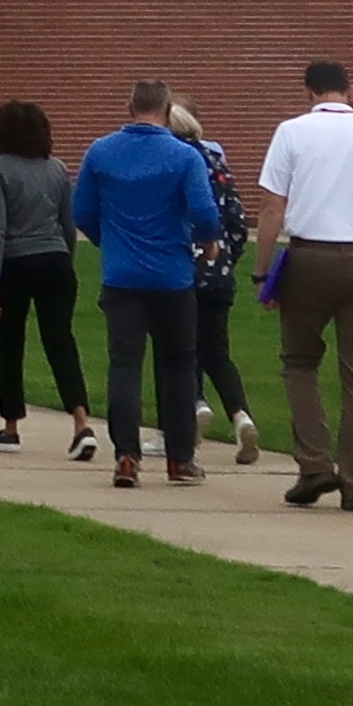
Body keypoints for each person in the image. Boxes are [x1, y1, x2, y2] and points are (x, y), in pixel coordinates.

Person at [254, 56, 353, 510]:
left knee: (300, 362)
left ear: (308, 93)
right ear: (350, 89)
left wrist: (263, 271)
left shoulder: (291, 132)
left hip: (309, 257)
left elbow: (272, 208)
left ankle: (314, 465)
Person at [73, 77, 222, 487]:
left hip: (121, 275)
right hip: (172, 275)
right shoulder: (184, 156)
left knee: (124, 364)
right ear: (168, 107)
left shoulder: (101, 152)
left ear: (129, 105)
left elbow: (82, 210)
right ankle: (179, 459)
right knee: (177, 364)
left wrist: (112, 243)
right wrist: (206, 243)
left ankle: (125, 456)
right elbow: (205, 211)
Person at [0, 98, 94, 459]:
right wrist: (66, 263)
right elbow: (68, 225)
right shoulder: (57, 169)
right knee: (60, 341)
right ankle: (81, 423)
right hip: (56, 260)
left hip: (16, 263)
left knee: (10, 346)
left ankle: (11, 427)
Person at [164, 100, 263, 465]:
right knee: (217, 352)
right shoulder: (218, 165)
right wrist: (224, 261)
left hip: (179, 269)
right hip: (218, 273)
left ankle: (195, 407)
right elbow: (237, 222)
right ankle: (241, 417)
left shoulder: (171, 162)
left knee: (180, 349)